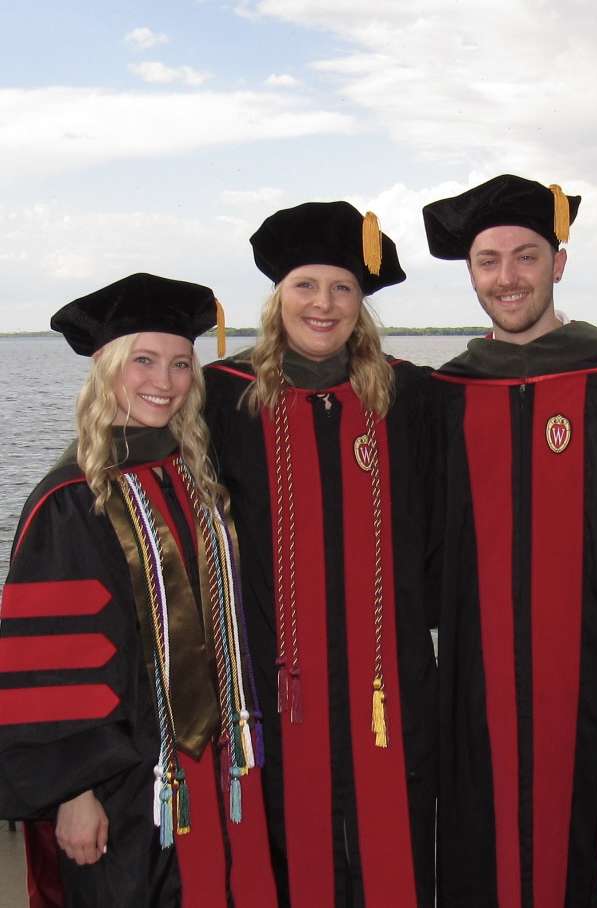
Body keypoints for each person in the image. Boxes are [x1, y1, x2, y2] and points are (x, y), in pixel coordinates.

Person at [423, 174, 597, 907]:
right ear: (469, 273)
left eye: (527, 257)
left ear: (558, 263)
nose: (508, 277)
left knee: (595, 857)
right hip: (478, 686)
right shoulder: (445, 394)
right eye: (489, 261)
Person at [0, 273, 263, 908]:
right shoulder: (73, 499)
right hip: (123, 781)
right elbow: (51, 664)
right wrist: (75, 792)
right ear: (106, 366)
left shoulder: (190, 476)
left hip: (212, 765)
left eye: (180, 364)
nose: (164, 382)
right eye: (143, 361)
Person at [203, 201, 438, 908]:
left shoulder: (411, 397)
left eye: (342, 288)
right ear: (278, 296)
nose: (324, 304)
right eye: (306, 285)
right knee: (283, 856)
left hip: (387, 687)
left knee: (393, 851)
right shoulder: (223, 398)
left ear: (361, 304)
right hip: (276, 691)